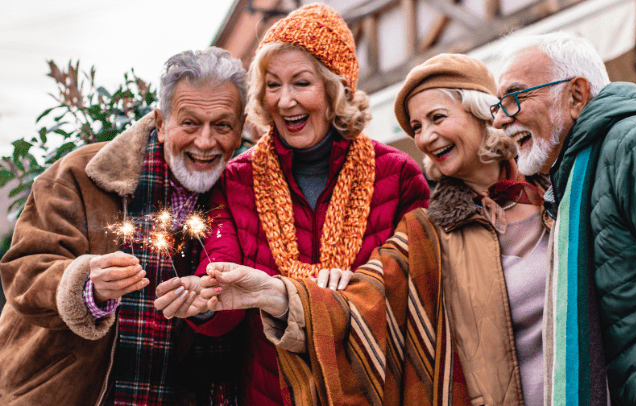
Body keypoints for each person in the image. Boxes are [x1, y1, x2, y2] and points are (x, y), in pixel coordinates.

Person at [197, 53, 553, 406]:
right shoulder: (429, 227)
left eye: (437, 118)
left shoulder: (555, 195)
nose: (426, 137)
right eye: (416, 127)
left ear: (482, 114)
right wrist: (271, 294)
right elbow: (376, 292)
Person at [154, 3, 430, 406]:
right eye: (272, 84)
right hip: (273, 391)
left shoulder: (399, 174)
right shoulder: (236, 180)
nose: (285, 101)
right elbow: (221, 272)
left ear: (336, 89)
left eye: (301, 83)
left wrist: (355, 287)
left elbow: (414, 282)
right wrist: (204, 304)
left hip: (375, 386)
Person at [0, 47, 248, 405]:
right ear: (162, 123)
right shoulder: (78, 175)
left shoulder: (244, 192)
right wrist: (86, 284)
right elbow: (22, 274)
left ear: (240, 129)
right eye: (190, 122)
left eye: (222, 125)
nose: (206, 142)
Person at [491, 32, 636, 406]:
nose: (500, 120)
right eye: (497, 105)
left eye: (514, 98)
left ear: (576, 97)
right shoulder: (577, 179)